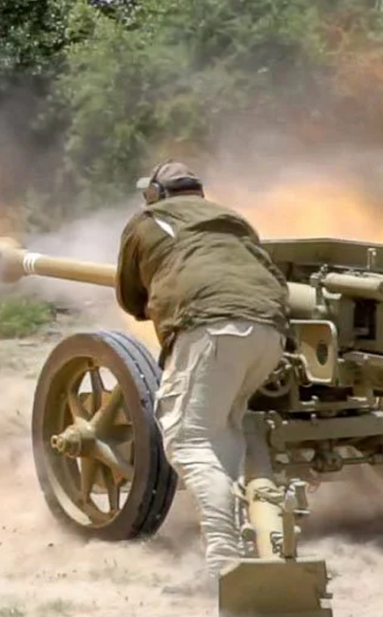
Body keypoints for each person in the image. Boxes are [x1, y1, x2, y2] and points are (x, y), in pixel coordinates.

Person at [115, 160, 290, 587]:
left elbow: (131, 298)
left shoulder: (147, 222)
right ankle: (246, 550)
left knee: (189, 439)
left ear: (155, 194)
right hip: (269, 332)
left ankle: (224, 564)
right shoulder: (232, 220)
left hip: (212, 328)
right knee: (224, 435)